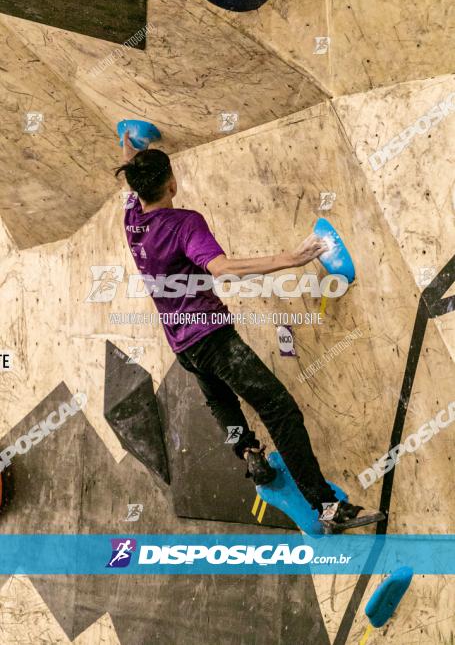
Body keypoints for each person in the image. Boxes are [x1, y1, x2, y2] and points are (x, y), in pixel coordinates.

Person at [117, 134, 381, 532]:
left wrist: (129, 146)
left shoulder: (132, 218)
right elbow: (221, 268)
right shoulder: (184, 223)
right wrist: (290, 259)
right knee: (279, 409)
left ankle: (249, 453)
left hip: (182, 345)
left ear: (136, 187)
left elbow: (134, 179)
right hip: (213, 340)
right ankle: (326, 507)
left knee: (222, 402)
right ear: (172, 183)